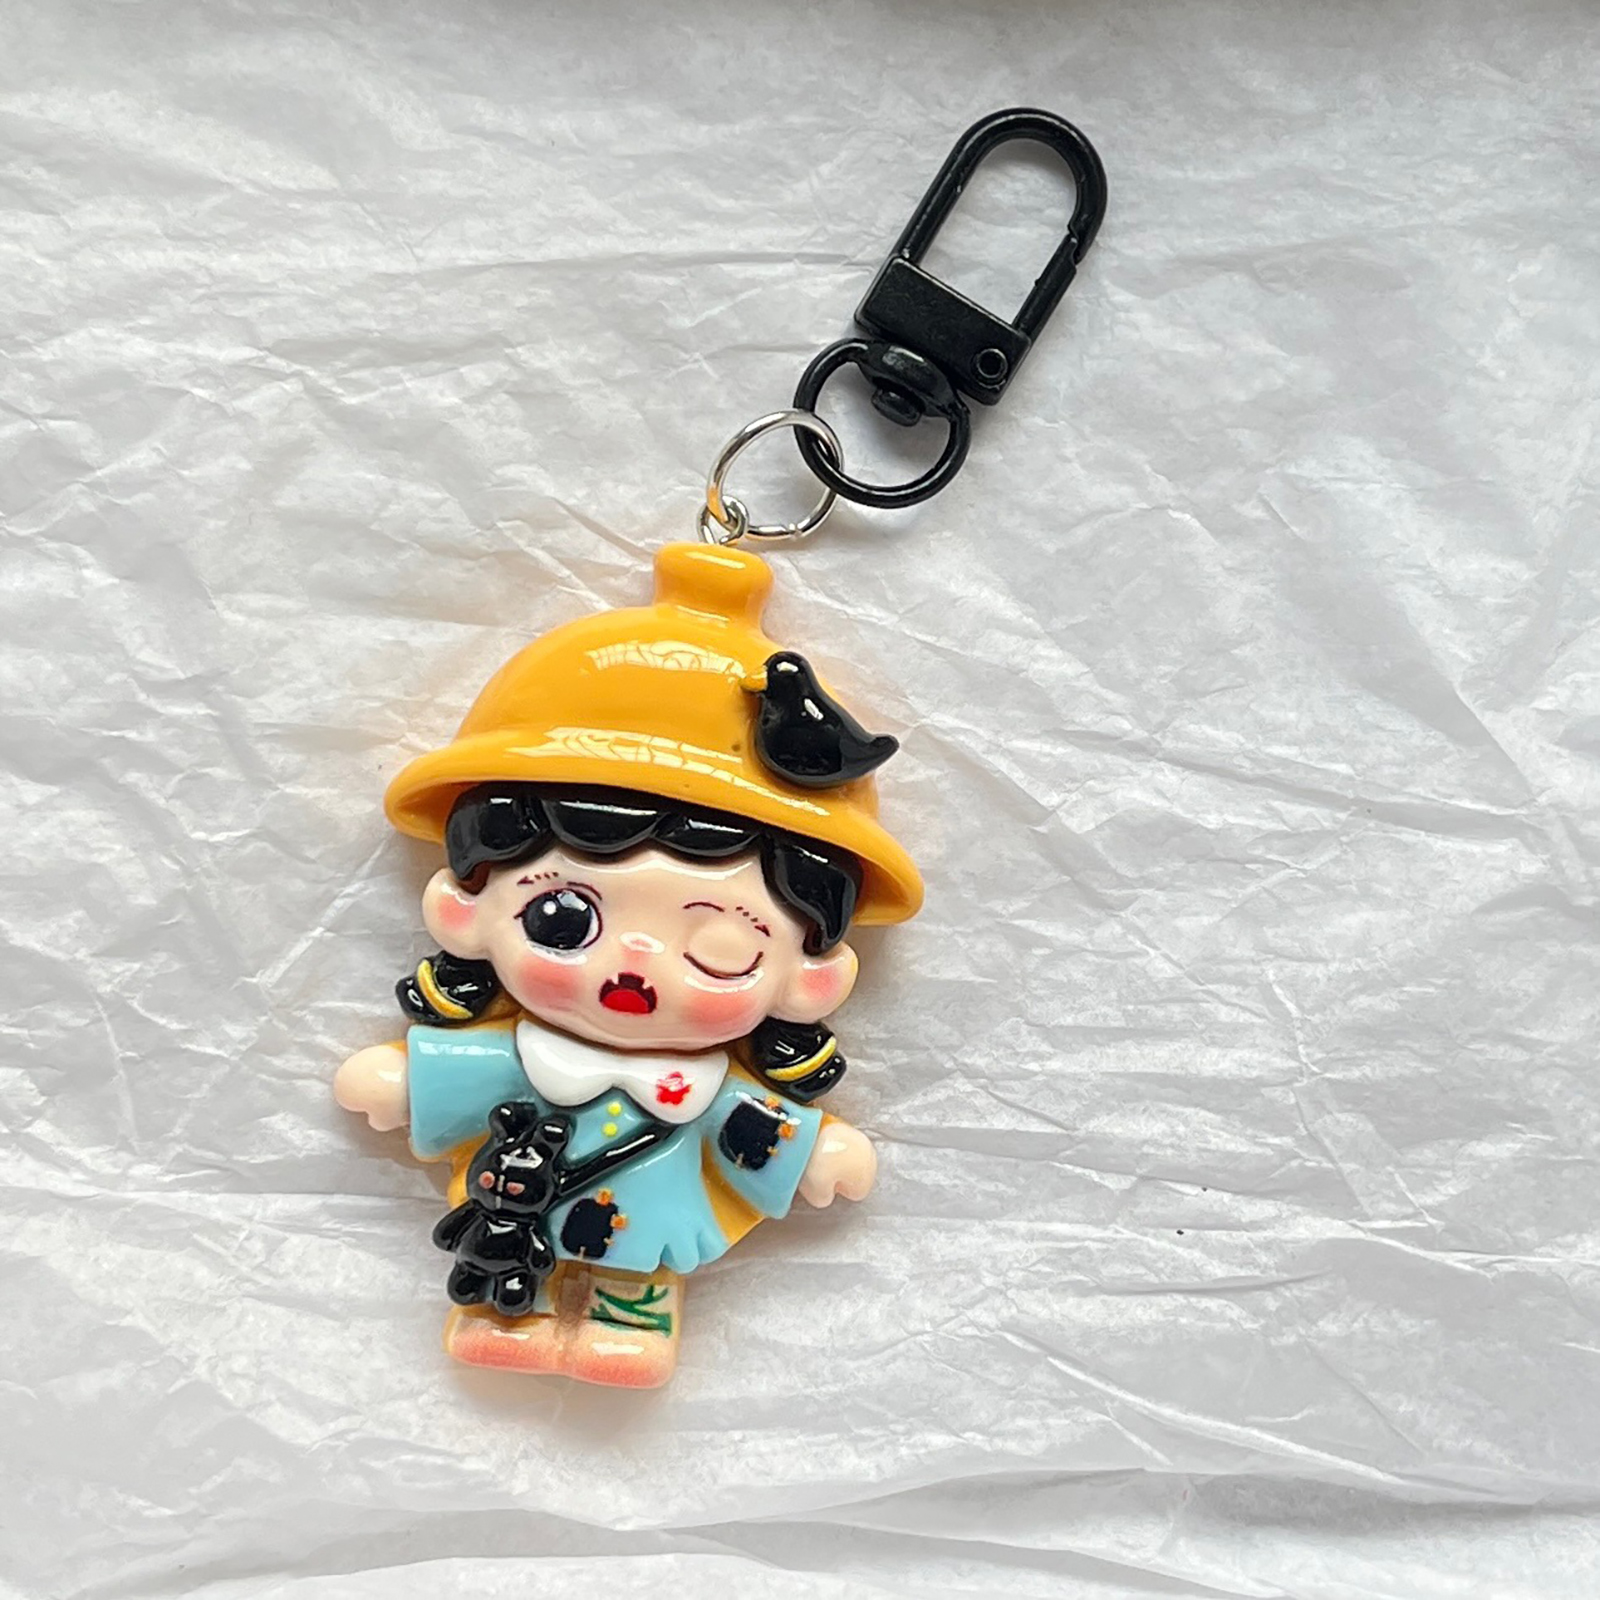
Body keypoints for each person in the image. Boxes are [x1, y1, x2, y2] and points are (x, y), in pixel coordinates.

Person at [335, 541, 922, 1387]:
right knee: (515, 1254)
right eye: (563, 919)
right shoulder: (524, 1055)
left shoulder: (706, 1090)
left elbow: (751, 1130)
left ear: (809, 979)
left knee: (640, 1266)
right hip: (522, 1215)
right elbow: (465, 1077)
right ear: (464, 911)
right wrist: (407, 1080)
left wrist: (814, 1153)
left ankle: (629, 1327)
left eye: (720, 952)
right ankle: (510, 1315)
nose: (634, 972)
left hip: (651, 1211)